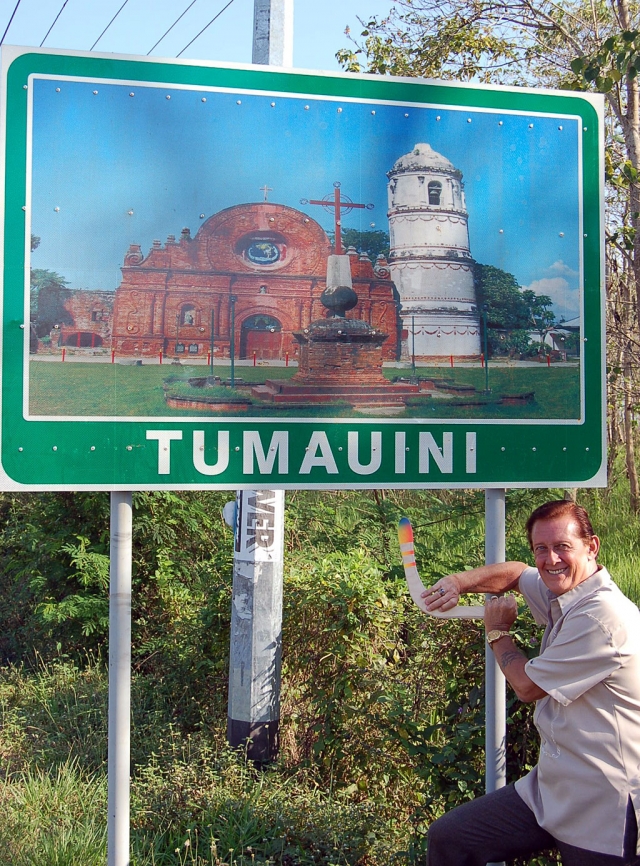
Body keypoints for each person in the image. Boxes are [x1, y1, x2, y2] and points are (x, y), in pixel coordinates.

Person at [422, 499, 640, 866]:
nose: (550, 560)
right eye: (542, 548)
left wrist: (497, 634)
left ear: (592, 546)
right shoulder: (566, 593)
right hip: (551, 789)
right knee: (451, 839)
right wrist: (458, 583)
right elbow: (517, 574)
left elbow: (526, 687)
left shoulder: (603, 618)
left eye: (562, 547)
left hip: (603, 803)